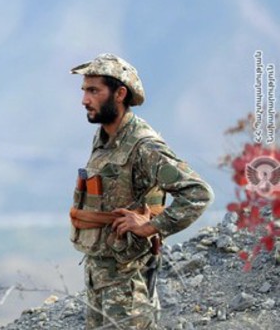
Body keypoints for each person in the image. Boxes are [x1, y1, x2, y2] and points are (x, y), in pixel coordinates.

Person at [68, 53, 214, 329]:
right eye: (84, 90)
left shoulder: (143, 145)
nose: (85, 100)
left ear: (120, 93)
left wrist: (152, 227)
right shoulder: (104, 139)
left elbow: (198, 193)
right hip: (99, 278)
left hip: (128, 283)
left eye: (94, 91)